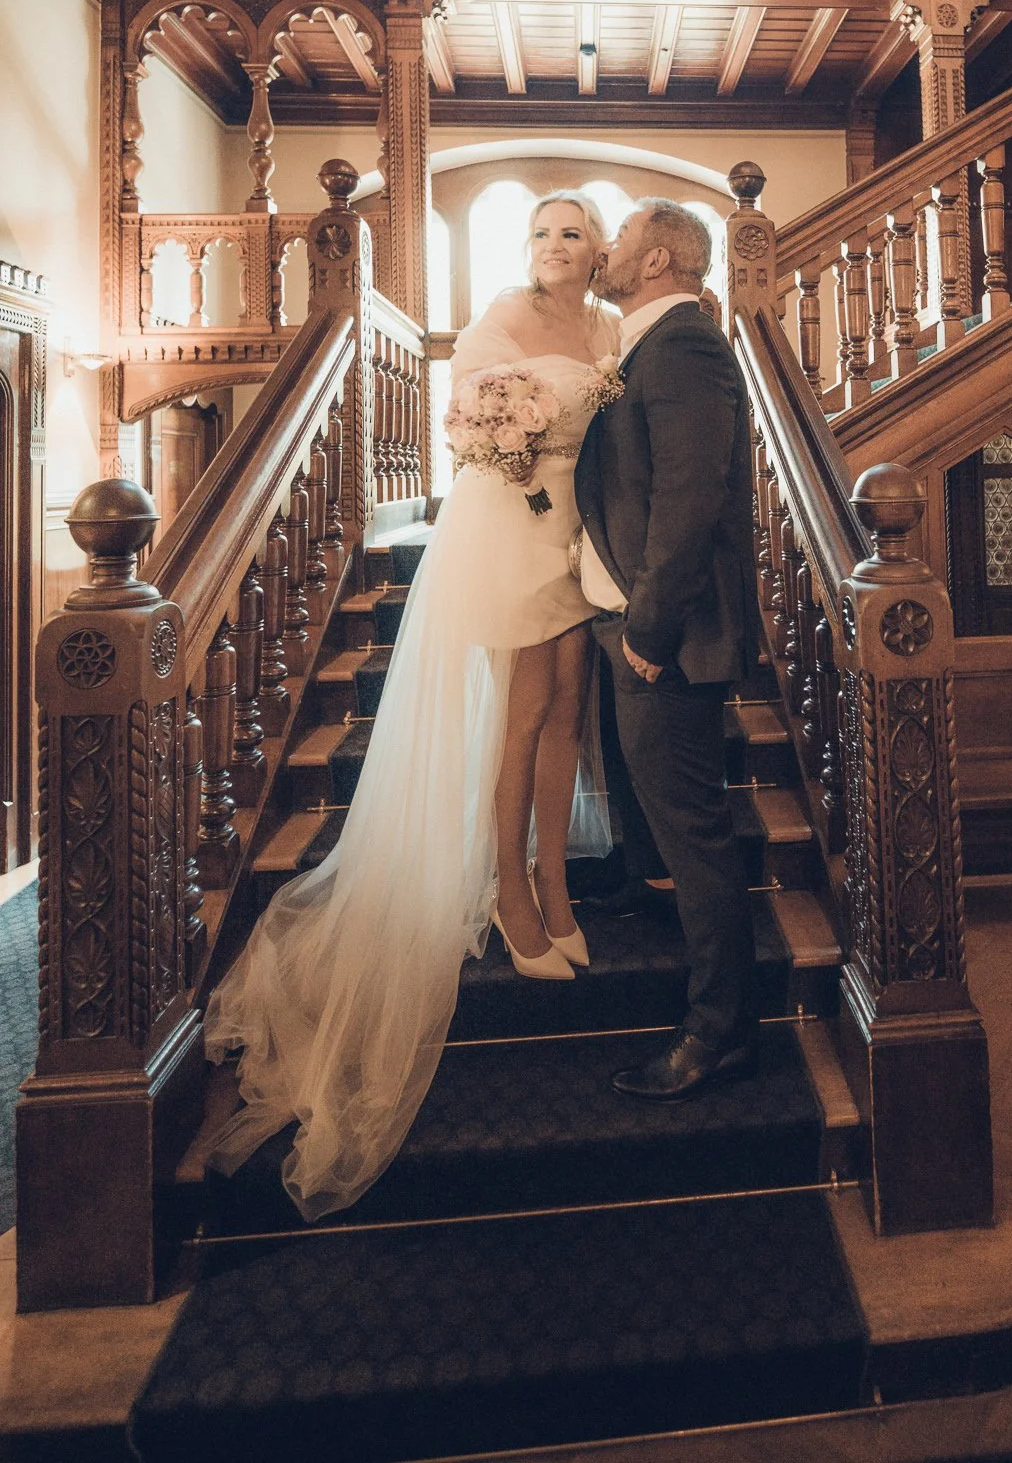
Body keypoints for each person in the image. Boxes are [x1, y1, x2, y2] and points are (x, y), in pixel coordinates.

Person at [203, 194, 619, 1220]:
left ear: (602, 247)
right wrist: (510, 448)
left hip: (581, 527)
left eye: (573, 231)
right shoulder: (500, 319)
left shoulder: (608, 327)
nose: (556, 246)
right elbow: (469, 428)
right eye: (542, 232)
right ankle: (512, 894)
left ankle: (558, 884)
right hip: (511, 523)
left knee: (570, 704)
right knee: (521, 712)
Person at [575, 199, 762, 1101]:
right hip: (630, 627)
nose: (603, 252)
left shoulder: (683, 346)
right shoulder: (641, 348)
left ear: (657, 261)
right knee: (659, 819)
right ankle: (637, 887)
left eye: (618, 241)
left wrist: (648, 633)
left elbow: (691, 500)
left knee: (700, 840)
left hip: (671, 641)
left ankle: (718, 1032)